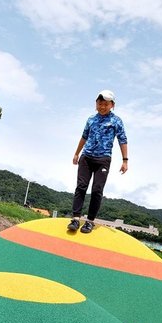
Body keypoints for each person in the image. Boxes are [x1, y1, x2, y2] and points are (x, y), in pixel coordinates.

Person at [68, 89, 128, 233]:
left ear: (112, 105)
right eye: (99, 103)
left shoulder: (116, 121)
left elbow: (122, 140)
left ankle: (90, 221)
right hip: (86, 157)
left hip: (103, 159)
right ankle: (75, 219)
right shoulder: (91, 119)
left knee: (97, 190)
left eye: (105, 104)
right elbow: (84, 137)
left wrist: (125, 160)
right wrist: (76, 154)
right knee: (81, 186)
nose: (102, 106)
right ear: (96, 104)